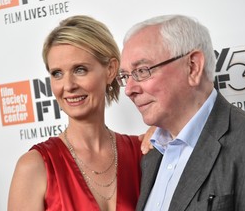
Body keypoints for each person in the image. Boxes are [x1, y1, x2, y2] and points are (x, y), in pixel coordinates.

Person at [117, 14, 245, 211]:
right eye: (125, 76)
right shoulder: (150, 154)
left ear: (193, 66)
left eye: (141, 70)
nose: (129, 89)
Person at [8, 15, 143, 211]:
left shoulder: (141, 152)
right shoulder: (34, 166)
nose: (68, 86)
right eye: (57, 74)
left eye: (80, 70)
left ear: (111, 70)